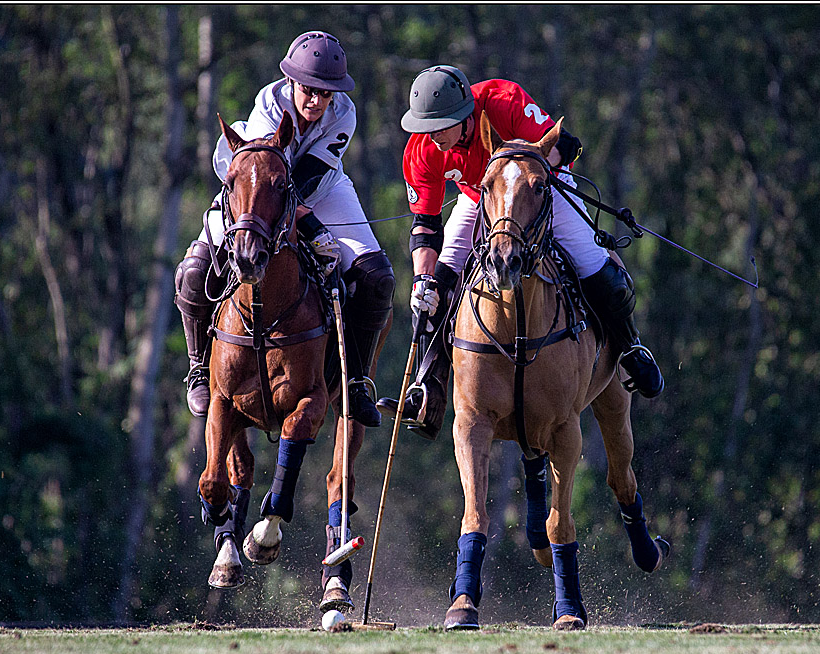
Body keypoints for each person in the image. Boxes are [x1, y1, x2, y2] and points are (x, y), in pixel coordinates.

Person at [377, 65, 663, 440]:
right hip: (481, 198)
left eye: (441, 126)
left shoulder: (504, 101)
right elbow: (426, 227)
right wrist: (422, 280)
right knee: (435, 292)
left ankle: (630, 349)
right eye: (425, 128)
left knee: (595, 265)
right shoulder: (421, 150)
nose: (432, 137)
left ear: (467, 116)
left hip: (541, 190)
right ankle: (427, 388)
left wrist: (529, 176)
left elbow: (567, 145)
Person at [174, 31, 395, 430]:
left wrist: (312, 225)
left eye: (325, 94)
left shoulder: (344, 113)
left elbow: (307, 179)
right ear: (291, 82)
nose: (316, 101)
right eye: (309, 90)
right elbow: (267, 180)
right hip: (256, 194)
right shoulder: (268, 105)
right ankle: (196, 368)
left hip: (323, 190)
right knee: (194, 270)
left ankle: (357, 381)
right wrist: (307, 226)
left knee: (378, 277)